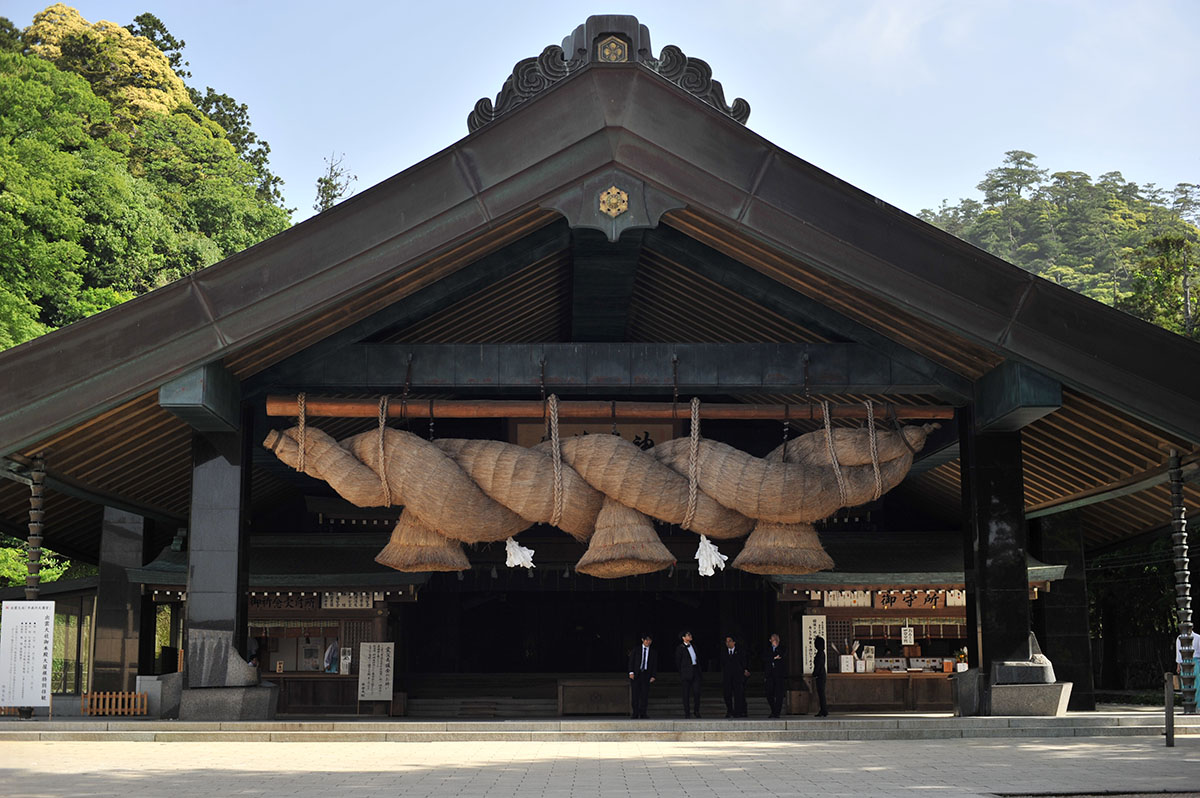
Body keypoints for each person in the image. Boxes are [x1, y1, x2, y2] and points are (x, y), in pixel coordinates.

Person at [628, 633, 656, 719]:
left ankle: (643, 713)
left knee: (644, 694)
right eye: (646, 640)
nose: (648, 642)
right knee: (635, 694)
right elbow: (631, 661)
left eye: (650, 640)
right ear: (642, 640)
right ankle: (635, 713)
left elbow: (654, 664)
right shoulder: (636, 650)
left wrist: (653, 675)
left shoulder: (653, 652)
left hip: (646, 674)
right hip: (636, 674)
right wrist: (631, 672)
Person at [721, 634, 749, 718]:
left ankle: (739, 711)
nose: (727, 643)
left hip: (738, 676)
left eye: (729, 641)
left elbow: (744, 662)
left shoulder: (740, 651)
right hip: (727, 677)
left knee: (739, 695)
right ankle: (730, 710)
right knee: (727, 694)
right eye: (726, 641)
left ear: (734, 642)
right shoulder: (724, 652)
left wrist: (745, 669)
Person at [676, 630, 702, 718]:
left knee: (697, 692)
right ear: (683, 638)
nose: (690, 636)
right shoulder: (680, 648)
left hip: (695, 671)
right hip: (686, 673)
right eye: (688, 635)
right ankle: (687, 712)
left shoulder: (694, 646)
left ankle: (696, 711)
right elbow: (678, 662)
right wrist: (682, 672)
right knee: (686, 694)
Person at [764, 632, 787, 718]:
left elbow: (781, 655)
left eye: (776, 639)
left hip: (779, 675)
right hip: (770, 675)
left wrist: (775, 653)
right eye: (773, 639)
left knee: (779, 694)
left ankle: (777, 712)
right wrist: (773, 658)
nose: (775, 641)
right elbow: (765, 658)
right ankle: (773, 710)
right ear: (770, 640)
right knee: (769, 694)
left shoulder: (782, 648)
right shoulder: (768, 649)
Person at [812, 634, 828, 717]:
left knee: (821, 693)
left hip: (820, 675)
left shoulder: (820, 653)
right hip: (821, 674)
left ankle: (824, 710)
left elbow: (819, 665)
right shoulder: (821, 653)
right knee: (821, 693)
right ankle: (823, 710)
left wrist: (815, 673)